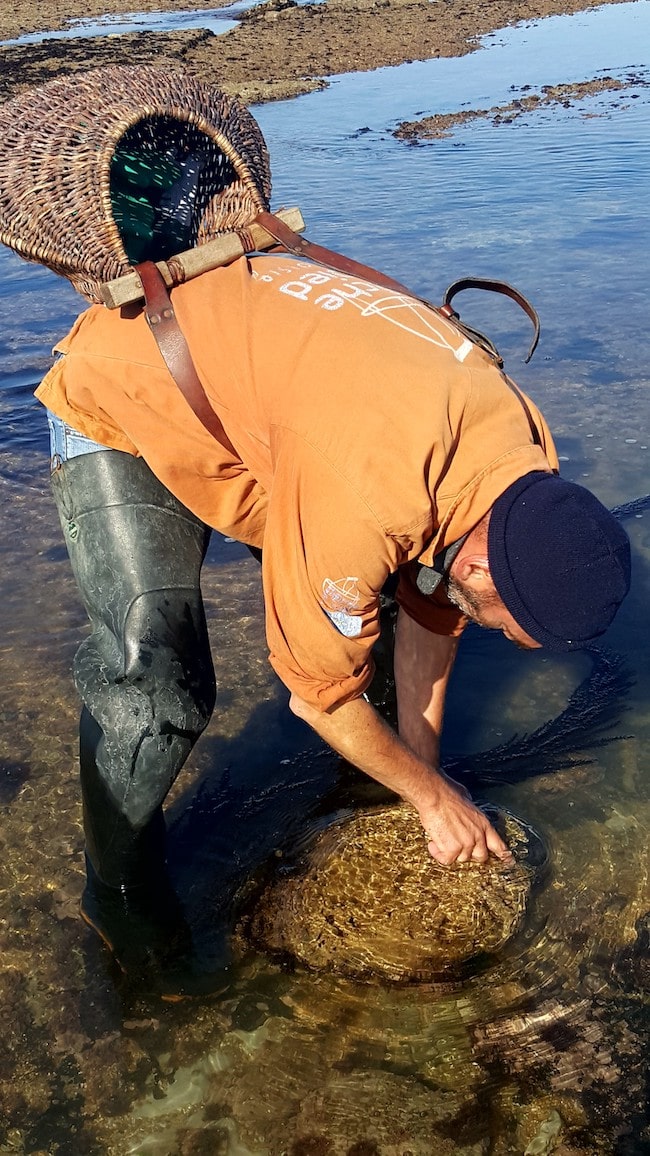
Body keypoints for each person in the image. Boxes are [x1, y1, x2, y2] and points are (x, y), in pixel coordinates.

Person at [0, 66, 631, 997]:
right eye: (510, 621)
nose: (500, 631)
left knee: (379, 621)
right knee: (162, 685)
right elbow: (317, 698)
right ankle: (122, 895)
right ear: (484, 557)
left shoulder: (519, 453)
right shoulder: (369, 495)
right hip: (125, 404)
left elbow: (438, 601)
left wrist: (420, 781)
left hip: (261, 405)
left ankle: (378, 776)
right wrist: (437, 799)